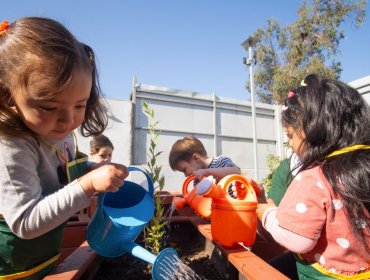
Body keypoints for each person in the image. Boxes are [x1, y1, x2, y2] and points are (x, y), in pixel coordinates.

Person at [0, 17, 129, 279]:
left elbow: (65, 168)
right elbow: (25, 221)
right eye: (49, 107)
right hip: (13, 267)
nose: (68, 120)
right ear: (8, 96)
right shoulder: (12, 146)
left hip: (44, 254)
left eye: (80, 105)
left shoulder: (59, 131)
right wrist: (88, 185)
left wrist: (95, 168)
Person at [257, 74, 370, 279]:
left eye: (290, 136)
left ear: (316, 131)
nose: (289, 144)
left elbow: (297, 239)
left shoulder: (314, 177)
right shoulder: (364, 169)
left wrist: (266, 212)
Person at [169, 136, 240, 183]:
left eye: (184, 170)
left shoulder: (221, 160)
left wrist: (207, 172)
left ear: (196, 158)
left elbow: (236, 171)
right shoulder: (197, 180)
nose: (186, 175)